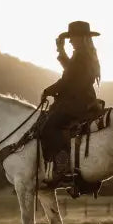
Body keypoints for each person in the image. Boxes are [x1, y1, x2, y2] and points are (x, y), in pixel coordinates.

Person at [40, 21, 102, 188]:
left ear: (81, 37)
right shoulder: (85, 53)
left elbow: (67, 79)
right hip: (84, 99)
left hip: (76, 101)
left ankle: (63, 168)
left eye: (72, 38)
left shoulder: (81, 55)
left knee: (49, 127)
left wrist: (48, 90)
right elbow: (71, 72)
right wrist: (61, 51)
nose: (70, 41)